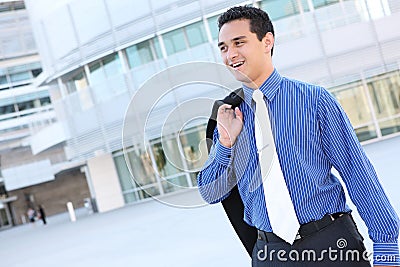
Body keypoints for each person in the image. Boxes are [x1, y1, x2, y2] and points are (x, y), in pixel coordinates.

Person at [197, 5, 399, 267]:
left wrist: (387, 251)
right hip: (271, 254)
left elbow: (357, 172)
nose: (230, 54)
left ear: (267, 41)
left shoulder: (314, 100)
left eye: (239, 42)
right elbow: (211, 192)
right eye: (223, 47)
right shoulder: (228, 116)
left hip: (332, 245)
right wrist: (225, 143)